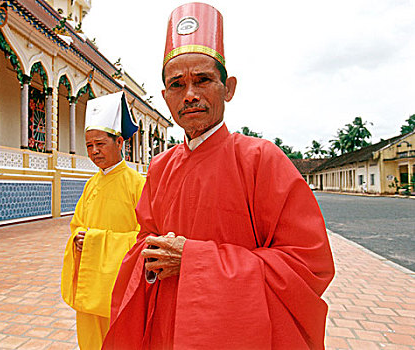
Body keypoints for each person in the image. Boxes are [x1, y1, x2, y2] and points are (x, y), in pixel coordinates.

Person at [102, 3, 335, 349]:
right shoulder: (159, 167)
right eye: (177, 85)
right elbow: (144, 244)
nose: (190, 94)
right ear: (165, 98)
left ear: (229, 88)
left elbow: (309, 264)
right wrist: (150, 254)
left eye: (203, 80)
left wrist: (195, 261)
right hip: (168, 327)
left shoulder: (261, 160)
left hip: (239, 333)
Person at [61, 91, 145, 349]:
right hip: (89, 283)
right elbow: (77, 226)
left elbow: (145, 238)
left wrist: (98, 242)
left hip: (118, 285)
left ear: (119, 142)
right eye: (89, 146)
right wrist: (77, 240)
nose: (94, 151)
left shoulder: (138, 184)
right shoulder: (90, 185)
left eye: (100, 143)